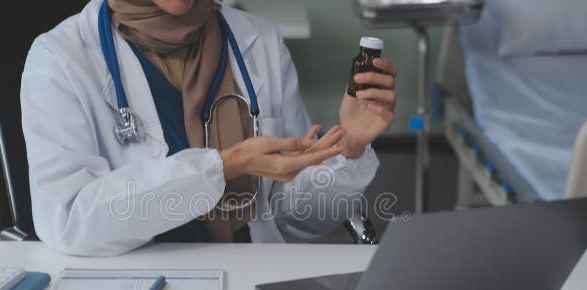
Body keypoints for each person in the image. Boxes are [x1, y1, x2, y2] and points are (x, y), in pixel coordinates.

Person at [20, 0, 398, 256]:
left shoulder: (259, 43)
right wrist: (224, 165)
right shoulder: (60, 58)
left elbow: (292, 221)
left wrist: (349, 148)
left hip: (250, 286)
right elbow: (68, 220)